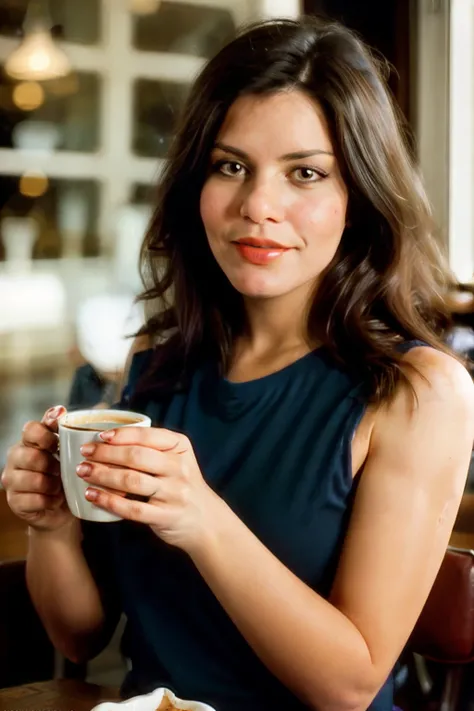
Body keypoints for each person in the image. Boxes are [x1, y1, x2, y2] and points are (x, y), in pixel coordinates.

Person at [2, 16, 474, 711]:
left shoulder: (419, 391)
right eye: (231, 166)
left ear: (360, 198)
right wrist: (51, 527)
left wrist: (203, 518)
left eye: (305, 173)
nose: (258, 206)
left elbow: (350, 684)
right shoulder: (157, 363)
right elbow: (79, 633)